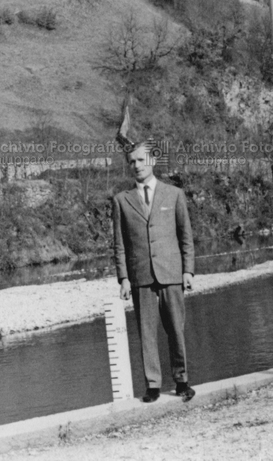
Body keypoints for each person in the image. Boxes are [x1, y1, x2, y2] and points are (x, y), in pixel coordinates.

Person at [112, 141, 195, 403]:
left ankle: (182, 381)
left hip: (171, 272)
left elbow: (186, 236)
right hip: (141, 275)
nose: (136, 165)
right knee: (146, 332)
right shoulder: (121, 201)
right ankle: (153, 385)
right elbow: (119, 244)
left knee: (176, 329)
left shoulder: (174, 194)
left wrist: (188, 271)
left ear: (152, 161)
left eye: (140, 160)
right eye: (132, 161)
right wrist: (124, 278)